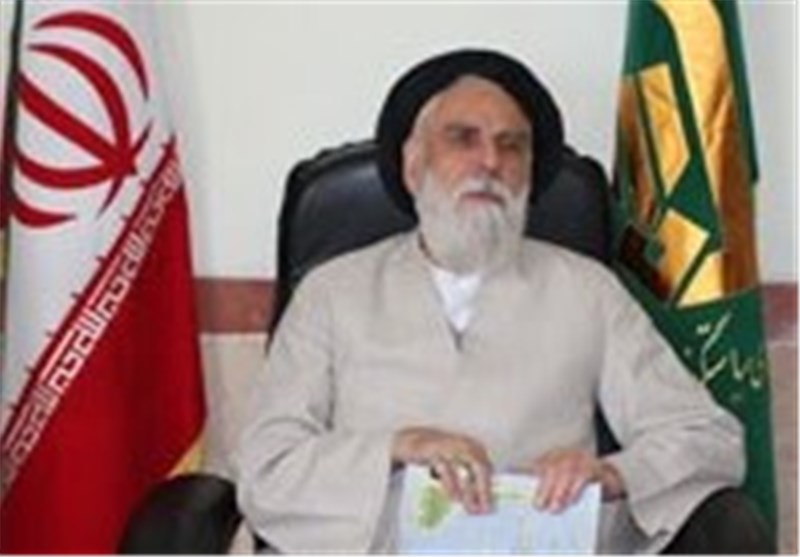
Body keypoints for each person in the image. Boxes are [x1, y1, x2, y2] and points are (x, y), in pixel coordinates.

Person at [235, 49, 773, 553]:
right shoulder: (333, 292)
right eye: (463, 139)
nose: (490, 161)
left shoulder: (588, 291)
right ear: (413, 163)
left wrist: (613, 474)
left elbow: (706, 437)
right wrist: (399, 447)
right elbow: (265, 466)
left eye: (511, 145)